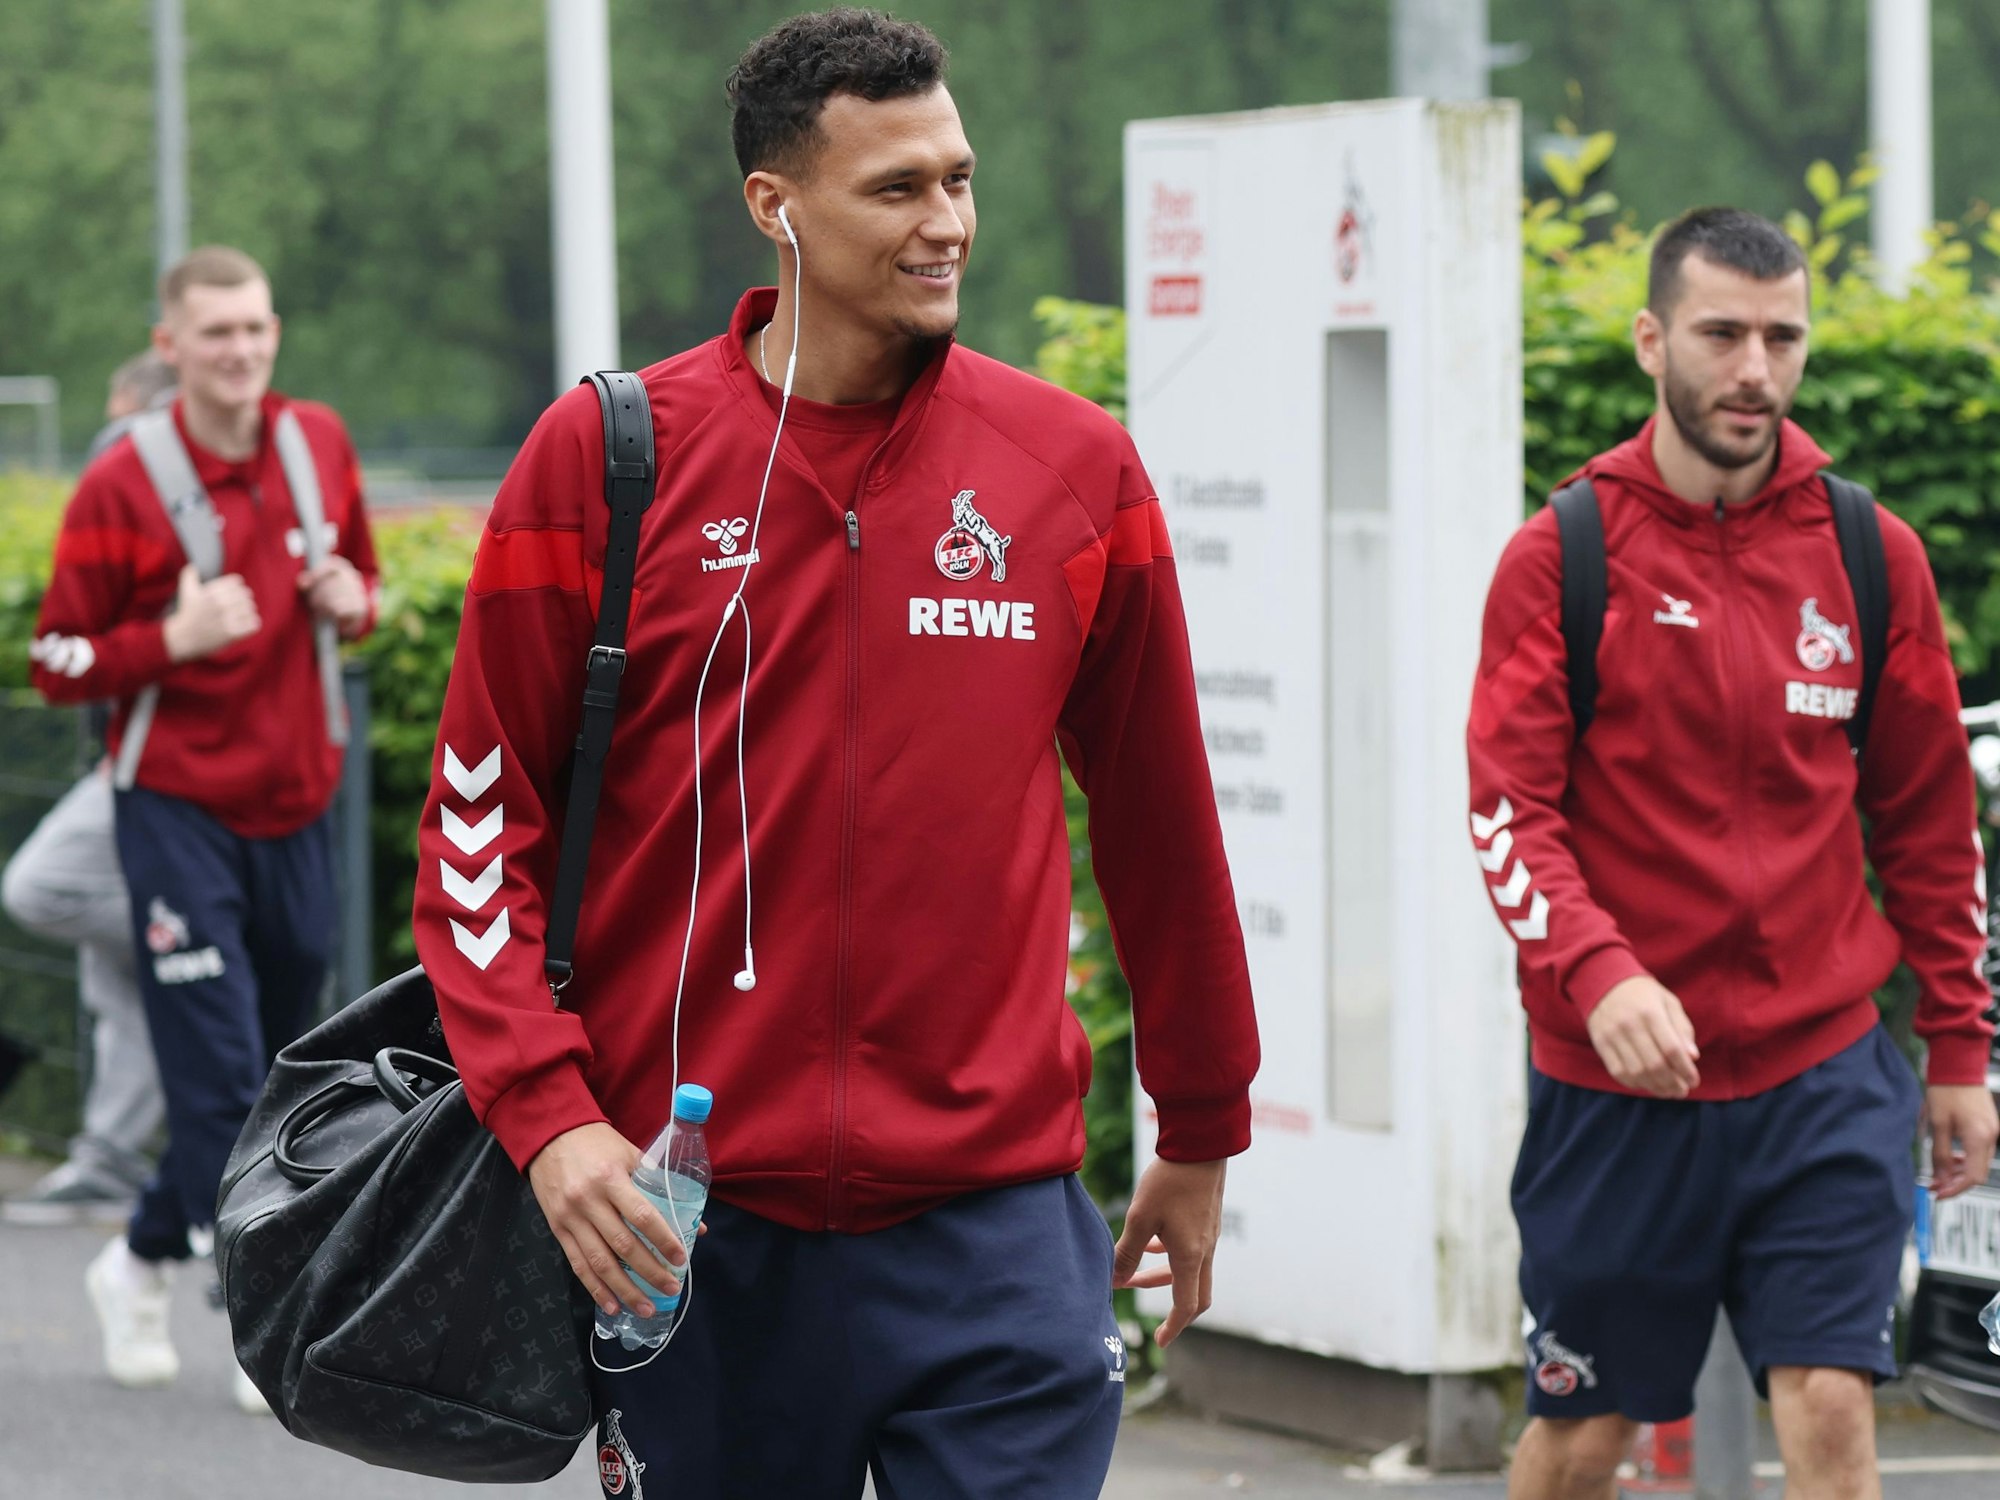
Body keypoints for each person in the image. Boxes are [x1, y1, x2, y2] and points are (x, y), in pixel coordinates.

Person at [411, 10, 1258, 1496]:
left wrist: (1201, 1121)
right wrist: (548, 1127)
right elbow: (482, 832)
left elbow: (1160, 822)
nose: (949, 225)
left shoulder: (1070, 469)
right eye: (898, 189)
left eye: (960, 179)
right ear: (775, 207)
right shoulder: (611, 459)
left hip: (999, 1228)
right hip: (691, 1234)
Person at [1468, 206, 1999, 1500]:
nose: (1753, 369)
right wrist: (1605, 978)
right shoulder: (1563, 556)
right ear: (1655, 340)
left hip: (1822, 1076)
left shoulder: (1873, 557)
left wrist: (1959, 1051)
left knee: (1829, 1402)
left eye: (1782, 337)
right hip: (1618, 1091)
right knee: (1589, 1439)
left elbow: (1929, 823)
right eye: (1721, 334)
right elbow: (1507, 811)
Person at [29, 245, 379, 1410]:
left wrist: (354, 603)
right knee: (224, 1078)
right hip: (173, 810)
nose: (240, 350)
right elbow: (56, 659)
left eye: (255, 328)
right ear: (169, 347)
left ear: (275, 332)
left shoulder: (315, 443)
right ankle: (263, 1322)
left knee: (287, 1067)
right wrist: (162, 645)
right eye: (214, 333)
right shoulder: (124, 481)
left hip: (296, 805)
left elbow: (363, 590)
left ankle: (135, 1257)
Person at [3, 351, 178, 1227]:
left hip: (160, 765)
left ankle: (199, 931)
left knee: (41, 889)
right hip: (137, 755)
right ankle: (108, 1158)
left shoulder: (132, 451)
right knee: (120, 980)